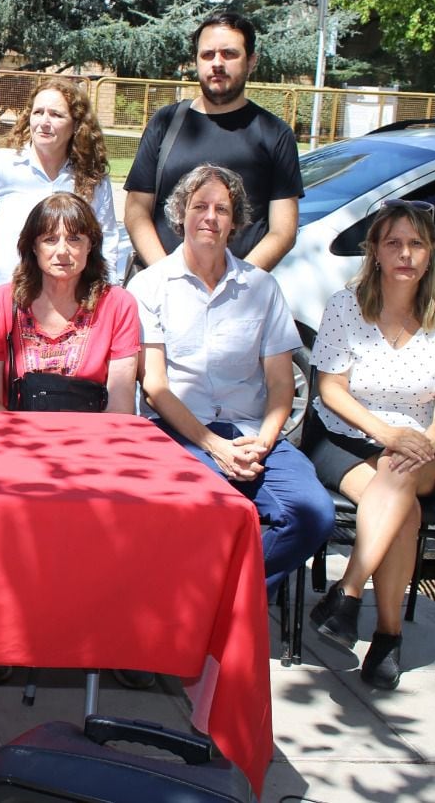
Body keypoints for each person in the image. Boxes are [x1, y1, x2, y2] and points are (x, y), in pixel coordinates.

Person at [130, 164, 333, 590]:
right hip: (178, 434)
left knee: (312, 514)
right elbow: (156, 386)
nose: (210, 217)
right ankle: (207, 611)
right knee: (202, 513)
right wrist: (213, 446)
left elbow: (281, 385)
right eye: (200, 206)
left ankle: (222, 604)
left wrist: (263, 441)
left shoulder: (262, 288)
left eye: (222, 209)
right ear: (180, 214)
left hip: (252, 435)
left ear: (235, 223)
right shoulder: (149, 287)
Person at [306, 200, 435, 689]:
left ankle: (349, 593)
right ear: (374, 250)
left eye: (416, 244)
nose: (405, 254)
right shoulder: (345, 306)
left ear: (430, 252)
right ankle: (388, 635)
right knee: (404, 509)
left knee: (398, 473)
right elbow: (330, 389)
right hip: (344, 436)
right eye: (394, 243)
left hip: (421, 446)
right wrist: (387, 435)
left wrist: (428, 439)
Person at [123, 11, 303, 272]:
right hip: (163, 296)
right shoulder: (165, 123)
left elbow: (283, 230)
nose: (217, 63)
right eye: (207, 54)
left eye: (229, 54)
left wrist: (238, 283)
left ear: (251, 61)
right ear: (196, 61)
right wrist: (165, 278)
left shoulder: (275, 134)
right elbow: (136, 212)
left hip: (237, 300)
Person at [0, 77, 117, 301]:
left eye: (56, 114)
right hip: (6, 300)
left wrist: (104, 296)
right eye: (38, 112)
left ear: (75, 125)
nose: (44, 121)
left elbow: (108, 241)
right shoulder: (0, 164)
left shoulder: (93, 178)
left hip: (72, 306)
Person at [0, 192, 139, 413]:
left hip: (94, 440)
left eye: (74, 239)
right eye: (50, 239)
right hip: (18, 438)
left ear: (90, 246)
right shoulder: (2, 302)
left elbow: (120, 407)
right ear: (34, 247)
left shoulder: (119, 305)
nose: (63, 251)